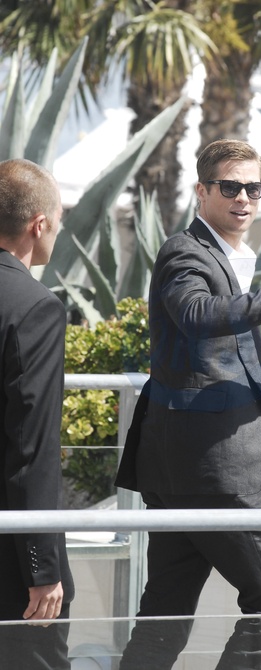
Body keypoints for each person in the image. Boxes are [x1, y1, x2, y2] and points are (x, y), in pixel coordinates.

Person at [115, 138, 261, 670]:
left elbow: (217, 362)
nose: (243, 198)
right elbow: (198, 315)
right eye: (230, 187)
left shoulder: (227, 257)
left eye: (254, 188)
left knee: (166, 612)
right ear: (202, 190)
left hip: (186, 470)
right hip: (215, 473)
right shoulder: (186, 252)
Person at [0, 159, 75, 668]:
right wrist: (42, 566)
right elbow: (32, 445)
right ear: (39, 223)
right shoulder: (35, 307)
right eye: (59, 221)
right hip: (11, 556)